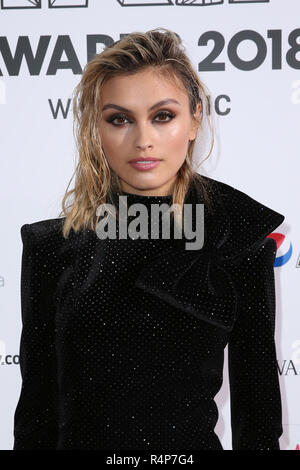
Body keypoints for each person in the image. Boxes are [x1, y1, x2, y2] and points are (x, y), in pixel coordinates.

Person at [13, 27, 285, 450]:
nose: (143, 140)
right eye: (119, 119)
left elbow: (260, 421)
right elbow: (36, 415)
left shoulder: (234, 242)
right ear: (95, 128)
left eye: (163, 116)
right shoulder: (51, 248)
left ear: (195, 119)